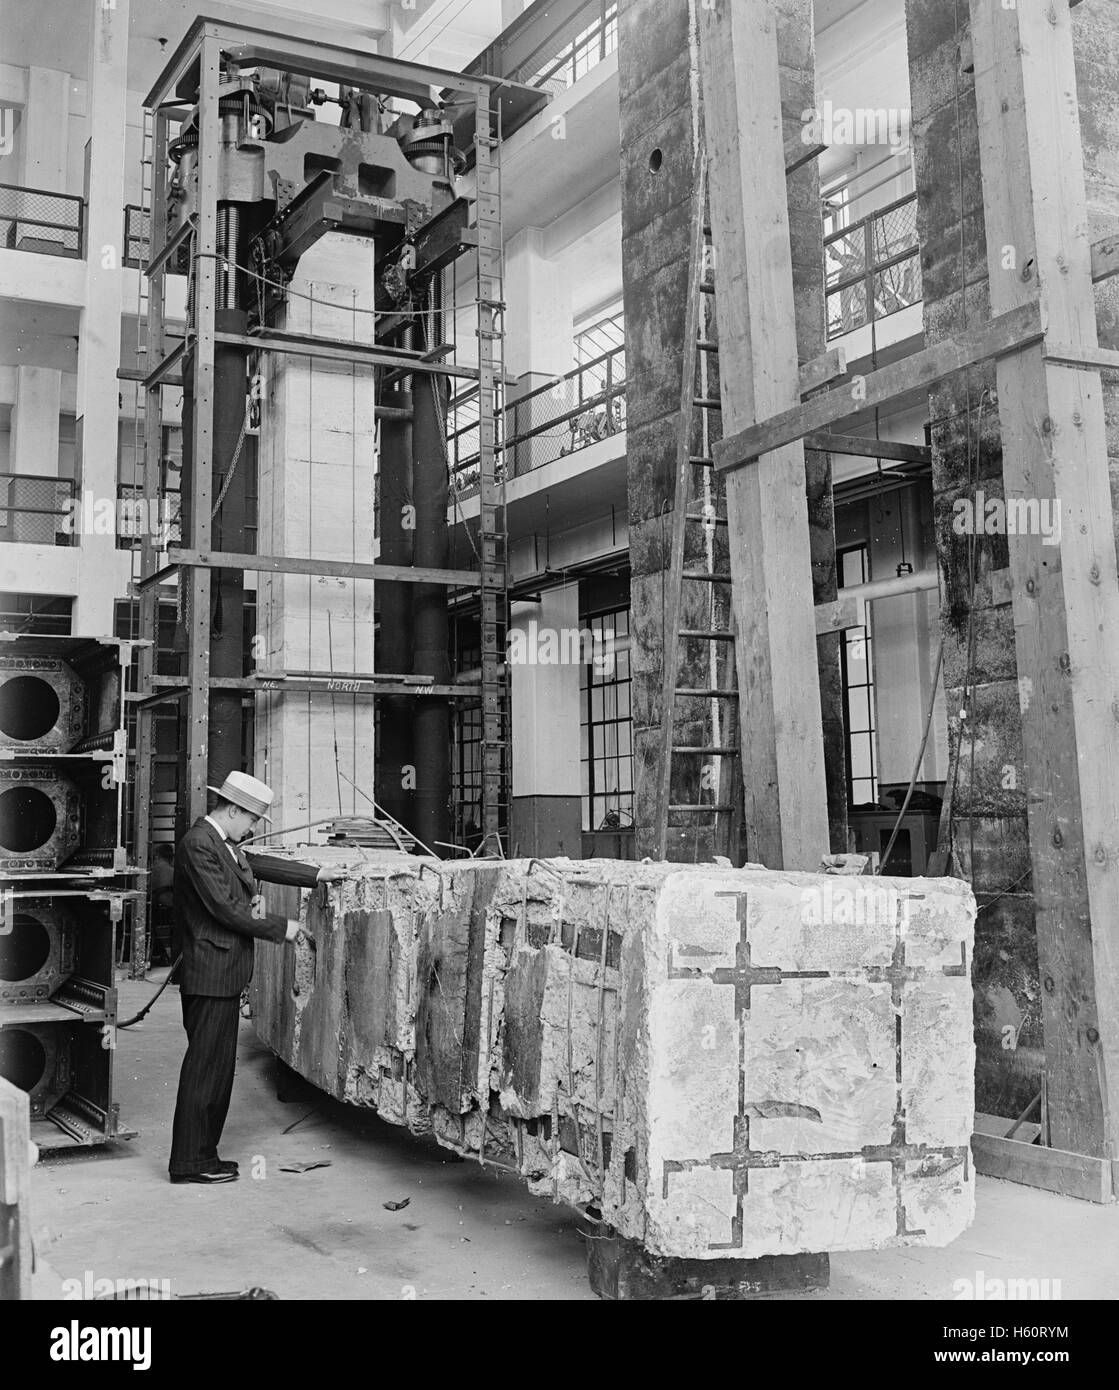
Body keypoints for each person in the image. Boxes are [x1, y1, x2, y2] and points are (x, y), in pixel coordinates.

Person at [168, 770, 345, 1186]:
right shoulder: (199, 845)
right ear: (232, 809)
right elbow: (227, 908)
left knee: (213, 1069)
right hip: (210, 974)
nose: (251, 830)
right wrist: (283, 928)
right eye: (250, 820)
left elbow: (259, 863)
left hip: (221, 974)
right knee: (205, 1070)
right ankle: (191, 1163)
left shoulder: (220, 844)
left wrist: (316, 875)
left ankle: (201, 1155)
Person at [149, 844, 175, 966]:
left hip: (155, 907)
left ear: (157, 856)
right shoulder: (173, 871)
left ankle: (158, 952)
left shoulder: (154, 870)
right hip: (170, 908)